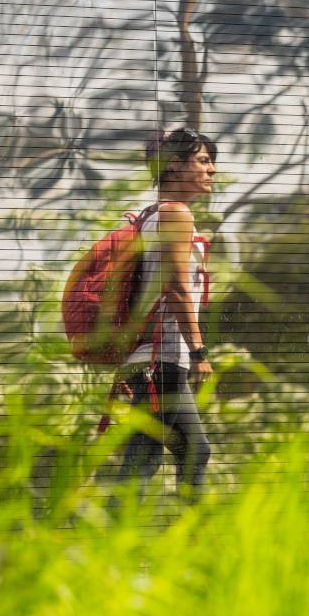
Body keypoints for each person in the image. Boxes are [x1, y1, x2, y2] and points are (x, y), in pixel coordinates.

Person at [103, 128, 217, 500]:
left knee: (194, 451)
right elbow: (176, 287)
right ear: (173, 166)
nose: (212, 169)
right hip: (161, 358)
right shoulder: (174, 215)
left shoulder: (153, 215)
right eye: (202, 160)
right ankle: (109, 548)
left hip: (156, 357)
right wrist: (198, 351)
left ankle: (189, 546)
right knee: (142, 461)